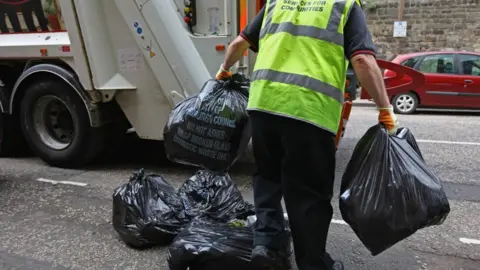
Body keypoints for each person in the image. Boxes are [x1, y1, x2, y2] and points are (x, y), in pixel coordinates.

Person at [216, 1, 399, 269]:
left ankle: (266, 247)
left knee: (267, 177)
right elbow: (361, 59)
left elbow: (238, 44)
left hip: (263, 106)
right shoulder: (344, 5)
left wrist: (224, 70)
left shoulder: (277, 4)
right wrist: (385, 108)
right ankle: (312, 263)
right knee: (308, 194)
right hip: (309, 112)